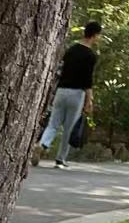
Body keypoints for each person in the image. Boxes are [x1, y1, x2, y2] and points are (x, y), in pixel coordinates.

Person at [36, 20, 102, 169]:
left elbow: (60, 70)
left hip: (61, 91)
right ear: (94, 35)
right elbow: (88, 80)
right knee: (69, 128)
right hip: (77, 94)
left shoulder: (71, 50)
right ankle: (60, 159)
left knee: (53, 124)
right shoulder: (91, 55)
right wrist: (89, 101)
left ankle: (43, 144)